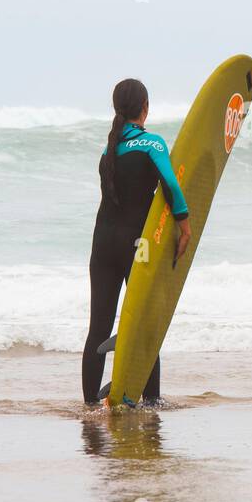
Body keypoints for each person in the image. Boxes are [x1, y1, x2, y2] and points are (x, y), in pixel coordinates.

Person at [84, 78, 191, 406]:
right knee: (144, 324)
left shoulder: (108, 148)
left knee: (98, 327)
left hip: (102, 245)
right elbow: (171, 186)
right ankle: (151, 401)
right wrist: (184, 226)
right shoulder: (152, 143)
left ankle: (89, 406)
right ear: (145, 107)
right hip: (137, 246)